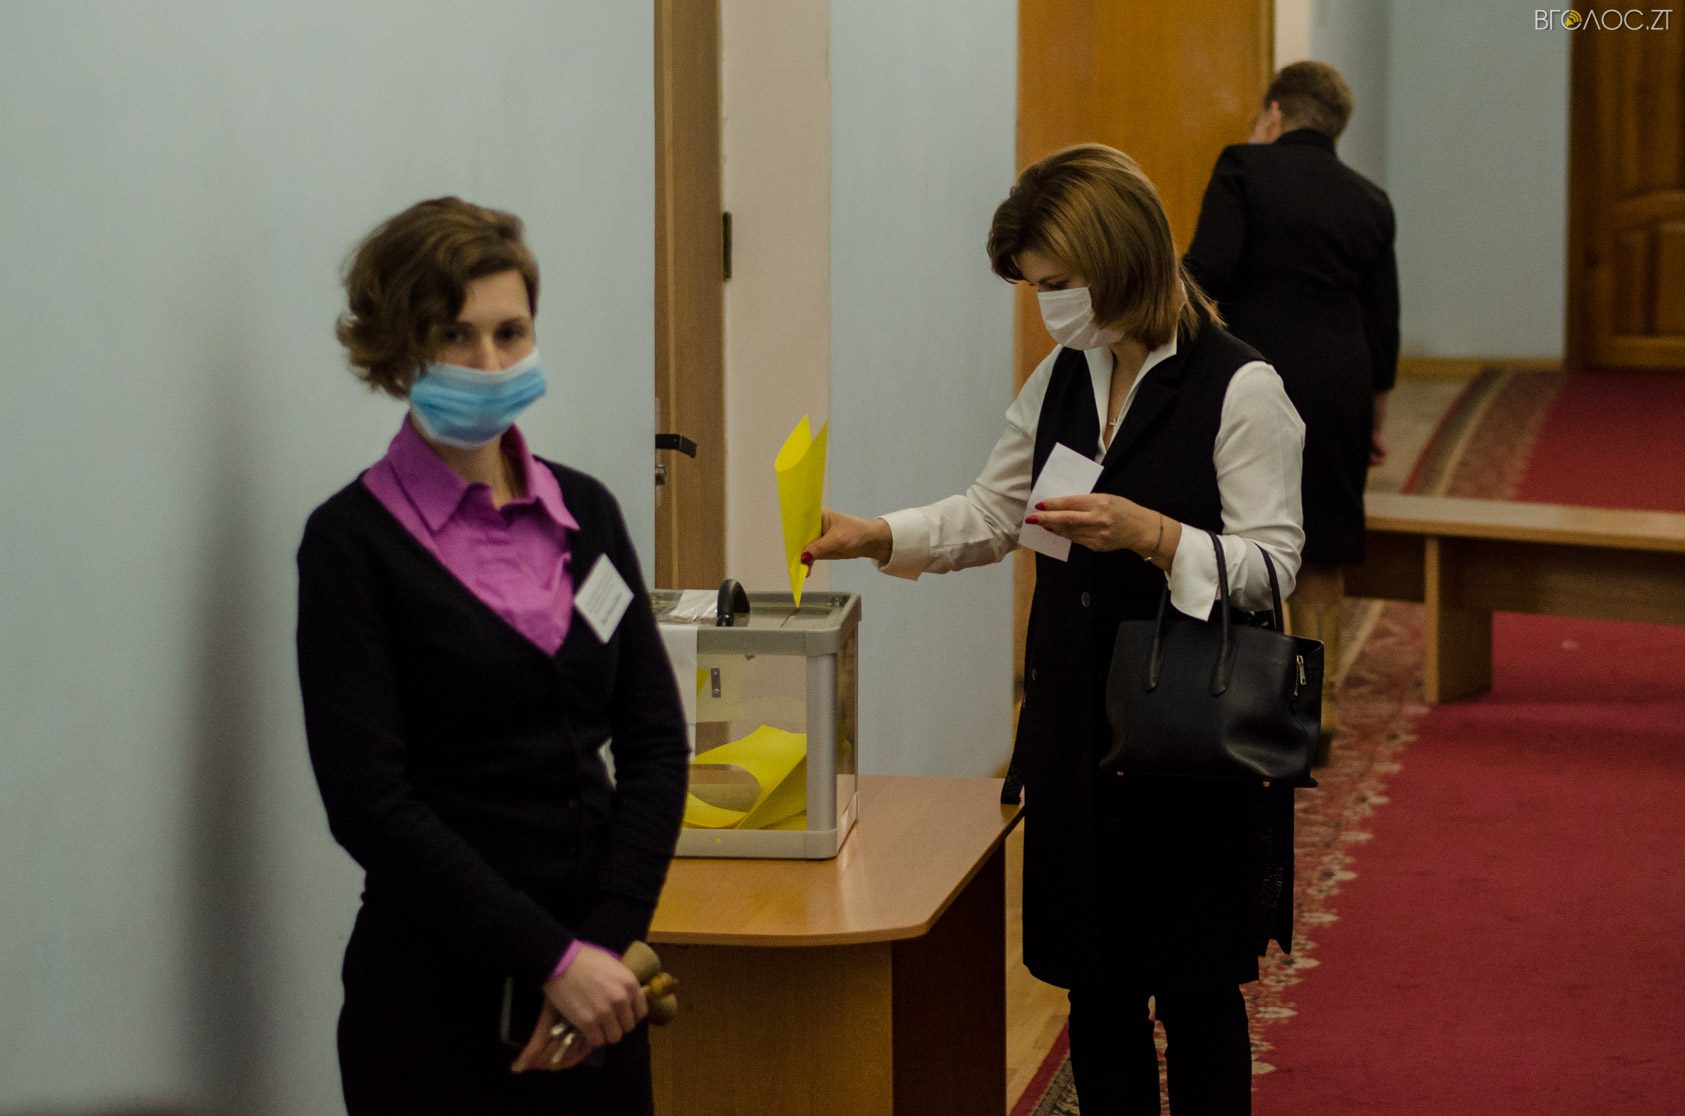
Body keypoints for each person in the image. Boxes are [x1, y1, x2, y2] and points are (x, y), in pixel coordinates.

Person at [804, 145, 1306, 1114]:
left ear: (1119, 262)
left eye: (1056, 284)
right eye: (1035, 287)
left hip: (1187, 733)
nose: (1046, 306)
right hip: (1075, 725)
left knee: (1194, 990)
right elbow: (996, 514)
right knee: (1095, 990)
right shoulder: (1064, 376)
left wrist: (1153, 535)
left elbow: (1270, 565)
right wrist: (877, 536)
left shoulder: (1239, 387)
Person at [295, 197, 689, 1114]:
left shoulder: (587, 512)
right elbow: (369, 803)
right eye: (455, 336)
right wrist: (551, 961)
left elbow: (654, 744)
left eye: (510, 333)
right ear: (398, 349)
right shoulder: (351, 545)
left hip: (599, 1000)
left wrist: (602, 950)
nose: (489, 363)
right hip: (432, 1007)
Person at [1184, 60, 1400, 759]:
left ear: (1274, 113)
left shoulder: (1243, 168)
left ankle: (1234, 694)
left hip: (1252, 378)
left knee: (1236, 528)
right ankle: (1319, 709)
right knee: (1324, 543)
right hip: (1340, 382)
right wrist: (1373, 419)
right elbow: (1383, 324)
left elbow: (1206, 273)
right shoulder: (1370, 201)